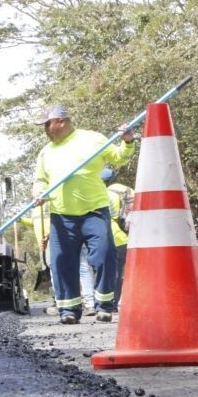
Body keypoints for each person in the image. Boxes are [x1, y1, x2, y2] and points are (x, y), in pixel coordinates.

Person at [32, 104, 136, 324]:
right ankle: (68, 310)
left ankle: (104, 306)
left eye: (47, 124)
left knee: (104, 254)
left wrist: (127, 141)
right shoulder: (46, 152)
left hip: (94, 212)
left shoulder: (92, 139)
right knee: (61, 262)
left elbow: (119, 157)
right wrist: (38, 193)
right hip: (61, 216)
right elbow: (40, 180)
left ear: (61, 122)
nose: (45, 130)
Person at [101, 168, 133, 310]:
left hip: (116, 236)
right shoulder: (129, 190)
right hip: (133, 237)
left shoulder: (107, 193)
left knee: (115, 272)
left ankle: (113, 302)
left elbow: (108, 216)